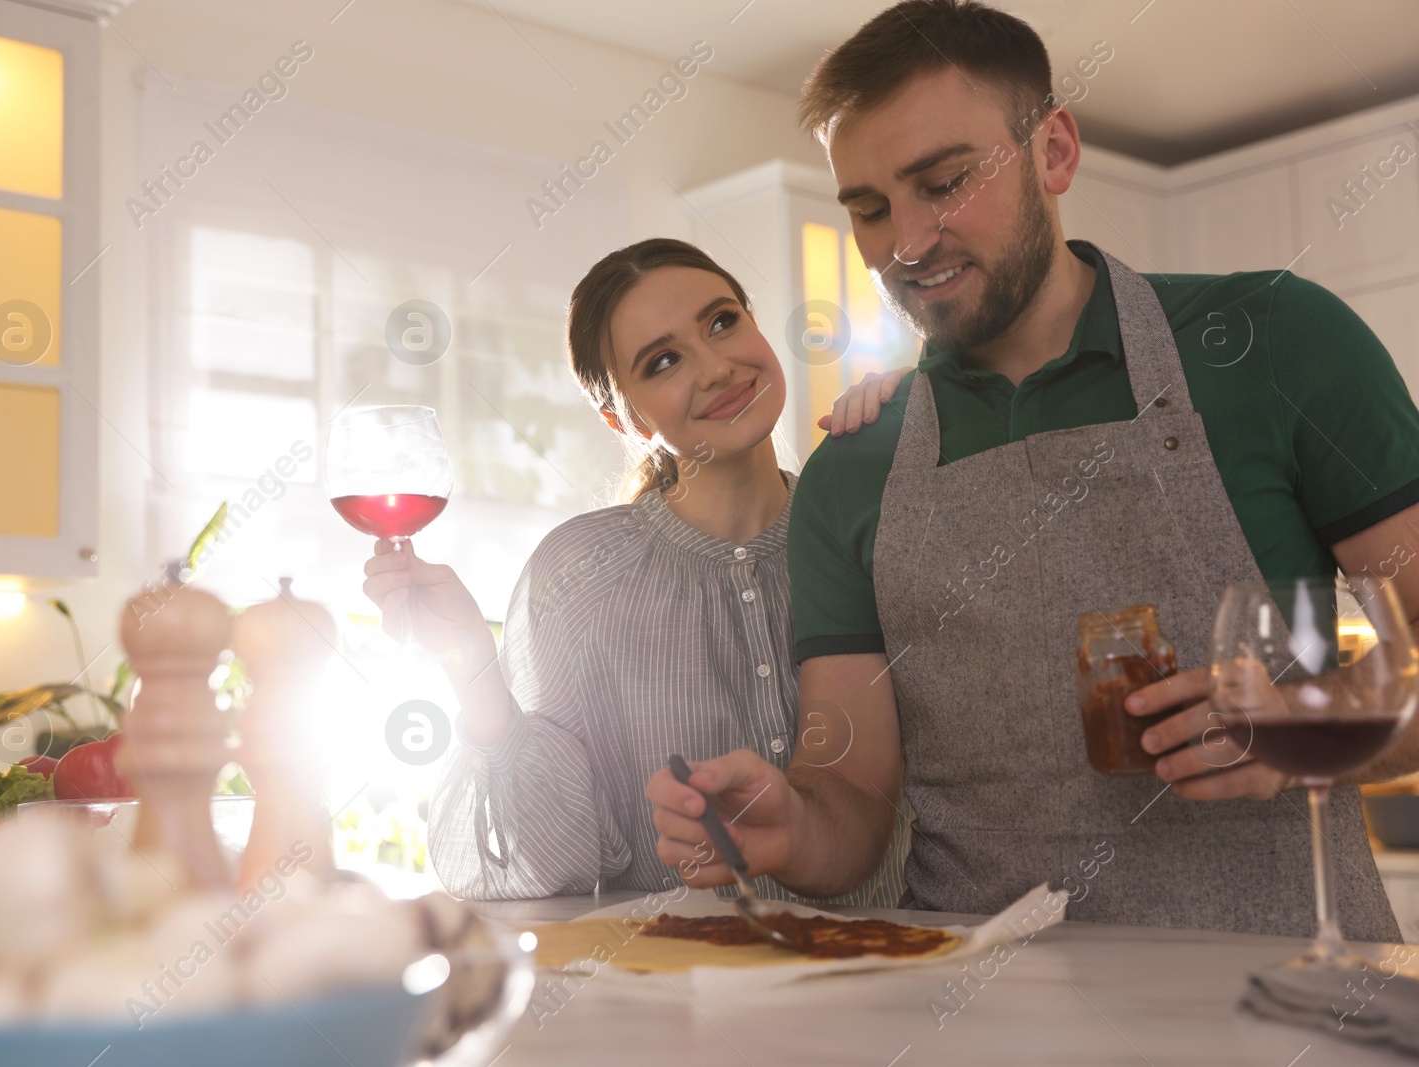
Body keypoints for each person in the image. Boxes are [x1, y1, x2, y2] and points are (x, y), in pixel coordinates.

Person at [647, 0, 1419, 940]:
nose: (906, 243)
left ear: (1053, 152)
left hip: (1282, 988)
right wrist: (791, 821)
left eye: (945, 181)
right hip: (974, 1010)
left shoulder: (1276, 343)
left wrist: (1312, 717)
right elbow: (849, 790)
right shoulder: (850, 468)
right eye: (869, 209)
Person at [362, 237, 910, 902]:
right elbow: (539, 868)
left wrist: (917, 437)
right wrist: (471, 664)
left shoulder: (873, 523)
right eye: (664, 360)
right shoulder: (576, 576)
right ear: (620, 416)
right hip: (677, 992)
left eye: (722, 320)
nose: (716, 366)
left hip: (894, 980)